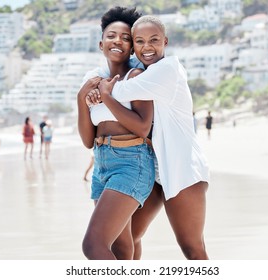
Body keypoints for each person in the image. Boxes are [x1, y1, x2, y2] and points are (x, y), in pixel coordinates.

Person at [93, 15, 210, 260]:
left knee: (193, 249)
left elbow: (121, 89)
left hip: (182, 169)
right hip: (155, 170)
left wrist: (99, 90)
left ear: (165, 41)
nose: (147, 47)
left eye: (154, 40)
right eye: (140, 41)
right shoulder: (146, 70)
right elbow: (116, 70)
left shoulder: (167, 69)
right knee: (127, 240)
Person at [77, 7, 155, 260]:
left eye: (125, 37)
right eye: (112, 36)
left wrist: (108, 97)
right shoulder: (94, 82)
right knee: (120, 248)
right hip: (102, 165)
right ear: (101, 44)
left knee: (94, 246)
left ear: (132, 47)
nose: (118, 41)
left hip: (131, 163)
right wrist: (81, 99)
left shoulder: (137, 77)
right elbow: (89, 140)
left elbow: (143, 127)